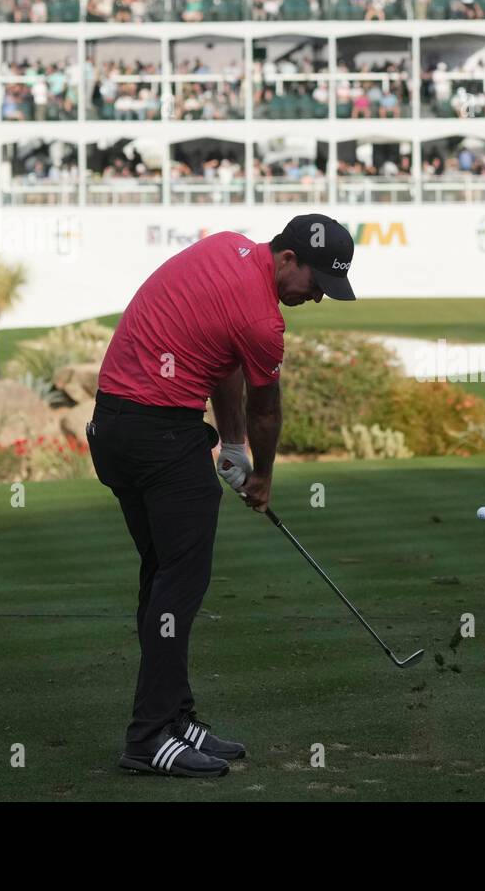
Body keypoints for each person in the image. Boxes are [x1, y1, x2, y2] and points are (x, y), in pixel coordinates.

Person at [87, 215, 356, 778]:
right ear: (287, 259)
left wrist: (229, 444)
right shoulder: (264, 321)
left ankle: (175, 718)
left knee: (162, 575)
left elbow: (219, 358)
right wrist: (261, 475)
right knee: (178, 585)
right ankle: (149, 736)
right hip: (161, 435)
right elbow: (267, 409)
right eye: (316, 284)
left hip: (114, 429)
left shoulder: (228, 247)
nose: (318, 298)